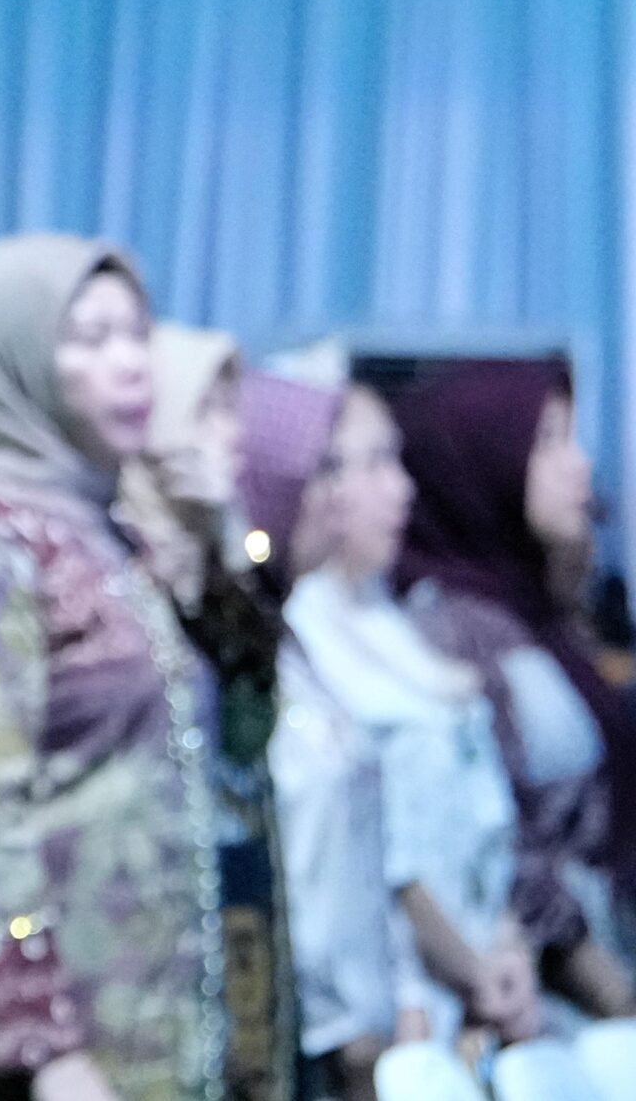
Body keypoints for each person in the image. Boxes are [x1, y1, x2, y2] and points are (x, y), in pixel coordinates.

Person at [0, 234, 238, 1101]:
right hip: (51, 1064)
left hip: (154, 1036)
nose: (133, 362)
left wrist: (218, 553)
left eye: (137, 332)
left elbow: (246, 746)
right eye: (91, 337)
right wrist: (38, 1051)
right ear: (12, 360)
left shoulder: (106, 536)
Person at [282, 383, 536, 1050]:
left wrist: (505, 943)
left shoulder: (393, 617)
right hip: (398, 998)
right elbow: (378, 850)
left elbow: (475, 816)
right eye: (370, 463)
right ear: (316, 480)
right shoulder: (302, 637)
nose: (401, 487)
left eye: (394, 460)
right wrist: (470, 970)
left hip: (472, 974)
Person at [394, 361, 636, 1021]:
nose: (578, 465)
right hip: (536, 992)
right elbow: (501, 836)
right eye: (548, 441)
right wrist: (609, 989)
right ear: (483, 460)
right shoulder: (449, 629)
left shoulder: (536, 611)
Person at [121, 325, 295, 1099]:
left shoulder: (221, 571)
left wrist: (223, 538)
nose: (233, 432)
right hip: (143, 918)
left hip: (231, 891)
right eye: (208, 408)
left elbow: (250, 731)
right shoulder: (105, 567)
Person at [245, 370, 407, 1101]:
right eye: (319, 473)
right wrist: (344, 1023)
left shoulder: (287, 639)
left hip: (350, 1029)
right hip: (301, 1033)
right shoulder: (238, 653)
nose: (336, 498)